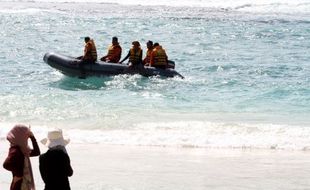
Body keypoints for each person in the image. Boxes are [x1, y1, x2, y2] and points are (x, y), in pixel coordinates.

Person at [3, 124, 40, 190]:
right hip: (19, 186)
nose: (27, 138)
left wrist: (32, 137)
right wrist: (19, 175)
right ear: (21, 136)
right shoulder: (15, 150)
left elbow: (37, 152)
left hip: (22, 184)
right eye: (26, 136)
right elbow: (6, 164)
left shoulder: (23, 149)